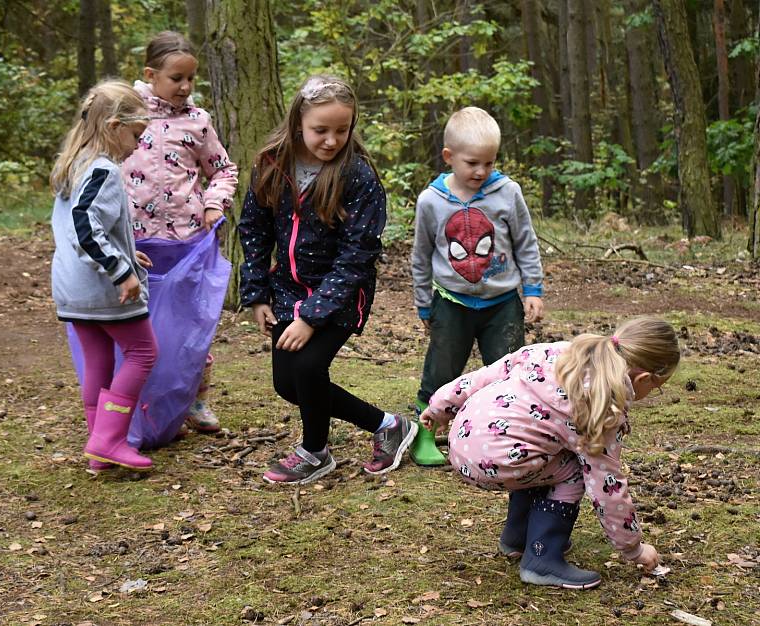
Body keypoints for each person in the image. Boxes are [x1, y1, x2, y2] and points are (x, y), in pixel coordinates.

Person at [239, 75, 416, 485]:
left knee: (309, 370)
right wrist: (257, 294)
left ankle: (314, 452)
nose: (332, 140)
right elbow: (254, 228)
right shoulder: (272, 163)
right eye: (321, 130)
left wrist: (312, 316)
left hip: (339, 294)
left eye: (342, 130)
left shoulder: (358, 176)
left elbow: (358, 254)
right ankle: (388, 424)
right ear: (298, 121)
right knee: (287, 384)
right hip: (284, 290)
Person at [421, 317, 680, 589]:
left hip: (462, 437)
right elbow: (607, 486)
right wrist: (633, 548)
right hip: (498, 459)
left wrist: (440, 405)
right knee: (575, 471)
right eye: (657, 388)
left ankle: (517, 538)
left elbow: (487, 374)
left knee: (543, 454)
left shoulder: (558, 352)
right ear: (644, 378)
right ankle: (542, 559)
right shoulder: (603, 406)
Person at [410, 107, 544, 467]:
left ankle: (512, 434)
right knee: (441, 370)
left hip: (502, 303)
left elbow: (525, 242)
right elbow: (421, 255)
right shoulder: (430, 201)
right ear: (449, 157)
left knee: (509, 370)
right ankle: (425, 435)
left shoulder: (507, 193)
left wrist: (532, 289)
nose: (481, 171)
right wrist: (424, 304)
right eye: (472, 163)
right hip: (451, 302)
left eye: (489, 162)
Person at [122, 31, 238, 435]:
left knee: (191, 330)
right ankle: (141, 406)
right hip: (134, 246)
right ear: (150, 74)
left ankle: (194, 402)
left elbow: (223, 169)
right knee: (141, 333)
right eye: (176, 78)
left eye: (191, 78)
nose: (185, 87)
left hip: (188, 244)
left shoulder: (197, 120)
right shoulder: (126, 114)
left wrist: (212, 204)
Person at [50, 80, 158, 471]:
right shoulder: (103, 169)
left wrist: (129, 254)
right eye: (136, 134)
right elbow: (85, 225)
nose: (137, 145)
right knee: (143, 353)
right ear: (114, 127)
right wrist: (120, 270)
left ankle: (99, 449)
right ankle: (108, 439)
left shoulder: (72, 162)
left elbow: (84, 226)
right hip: (102, 288)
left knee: (97, 359)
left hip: (71, 287)